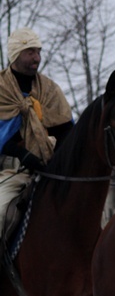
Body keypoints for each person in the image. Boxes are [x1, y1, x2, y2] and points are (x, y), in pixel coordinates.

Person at [0, 27, 74, 233]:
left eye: (39, 51)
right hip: (10, 171)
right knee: (0, 211)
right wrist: (22, 154)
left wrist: (57, 160)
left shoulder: (50, 90)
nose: (37, 58)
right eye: (30, 52)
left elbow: (66, 129)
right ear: (15, 55)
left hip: (52, 168)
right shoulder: (1, 90)